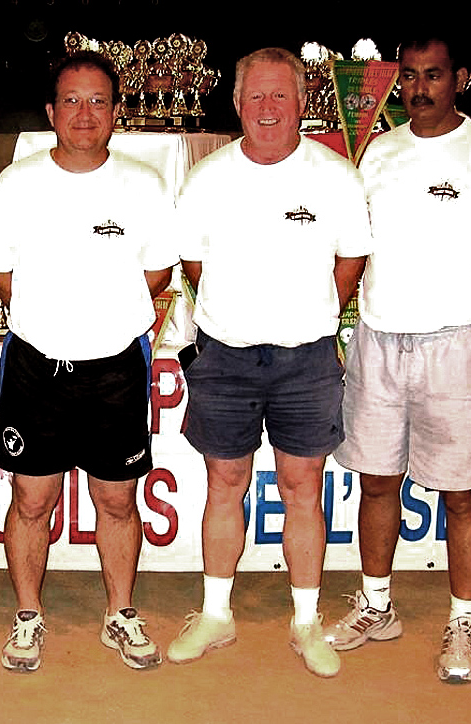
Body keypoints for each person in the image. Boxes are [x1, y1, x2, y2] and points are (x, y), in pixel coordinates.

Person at [325, 35, 471, 683]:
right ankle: (377, 605)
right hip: (378, 339)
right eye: (410, 76)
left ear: (461, 79)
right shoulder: (379, 153)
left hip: (456, 345)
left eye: (434, 75)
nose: (419, 89)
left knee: (461, 493)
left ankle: (462, 621)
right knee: (377, 481)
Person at [167, 47, 372, 678]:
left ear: (303, 101)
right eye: (254, 94)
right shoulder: (207, 178)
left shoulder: (335, 176)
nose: (267, 107)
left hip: (306, 359)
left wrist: (309, 315)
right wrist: (239, 315)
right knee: (224, 483)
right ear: (236, 102)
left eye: (280, 94)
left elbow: (351, 260)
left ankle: (306, 622)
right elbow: (193, 264)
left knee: (301, 488)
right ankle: (216, 615)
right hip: (224, 355)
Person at [0, 51, 176, 672]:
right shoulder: (17, 184)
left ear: (116, 112)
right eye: (71, 100)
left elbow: (157, 273)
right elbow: (1, 277)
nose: (85, 113)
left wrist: (100, 319)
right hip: (36, 366)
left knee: (117, 501)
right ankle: (28, 616)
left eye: (98, 101)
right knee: (31, 500)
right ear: (51, 111)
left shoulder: (143, 185)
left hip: (115, 367)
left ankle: (120, 613)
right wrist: (54, 320)